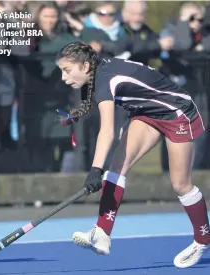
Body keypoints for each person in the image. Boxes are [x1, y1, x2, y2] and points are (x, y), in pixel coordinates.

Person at [56, 41, 208, 268]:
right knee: (116, 168)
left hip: (177, 113)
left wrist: (95, 170)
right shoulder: (97, 72)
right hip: (146, 113)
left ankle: (203, 239)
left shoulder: (103, 79)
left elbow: (106, 131)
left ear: (86, 66)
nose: (63, 77)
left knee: (180, 185)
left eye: (67, 70)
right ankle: (102, 233)